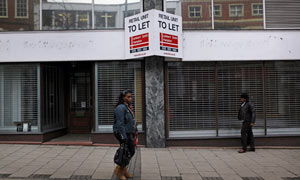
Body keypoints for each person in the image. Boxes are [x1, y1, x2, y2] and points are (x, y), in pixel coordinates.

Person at [113, 90, 136, 180]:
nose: (130, 98)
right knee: (128, 151)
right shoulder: (120, 108)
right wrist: (124, 137)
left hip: (127, 132)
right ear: (123, 98)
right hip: (122, 133)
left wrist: (133, 131)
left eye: (131, 96)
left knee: (129, 151)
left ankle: (123, 169)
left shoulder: (127, 107)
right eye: (128, 97)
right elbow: (120, 123)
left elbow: (130, 121)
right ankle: (119, 170)